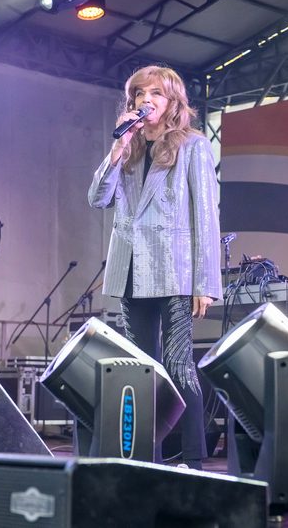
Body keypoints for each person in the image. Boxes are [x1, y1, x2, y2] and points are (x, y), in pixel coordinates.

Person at [88, 65, 222, 469]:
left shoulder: (193, 146)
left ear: (172, 101)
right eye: (139, 94)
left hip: (175, 270)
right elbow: (97, 199)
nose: (146, 100)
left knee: (178, 364)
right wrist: (118, 148)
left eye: (156, 94)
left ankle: (194, 460)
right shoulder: (128, 147)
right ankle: (148, 458)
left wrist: (205, 282)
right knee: (142, 369)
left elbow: (206, 217)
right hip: (131, 269)